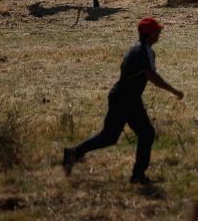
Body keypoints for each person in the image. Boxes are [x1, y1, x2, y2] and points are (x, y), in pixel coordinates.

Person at [63, 17, 184, 185]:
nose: (160, 33)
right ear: (150, 34)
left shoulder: (137, 48)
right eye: (158, 31)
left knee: (111, 137)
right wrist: (173, 90)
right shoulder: (143, 51)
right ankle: (137, 176)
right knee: (144, 134)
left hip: (125, 96)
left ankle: (74, 153)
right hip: (125, 98)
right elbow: (152, 77)